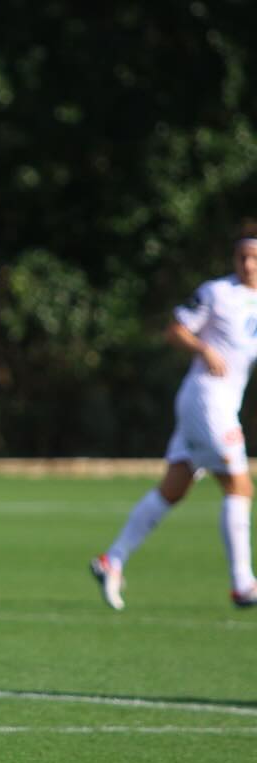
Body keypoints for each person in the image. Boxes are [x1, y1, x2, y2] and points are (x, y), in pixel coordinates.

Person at [91, 224, 257, 610]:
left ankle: (111, 560)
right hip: (206, 400)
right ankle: (243, 584)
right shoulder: (218, 293)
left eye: (254, 258)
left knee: (175, 487)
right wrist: (204, 349)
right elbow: (175, 330)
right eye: (242, 257)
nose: (248, 264)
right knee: (239, 486)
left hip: (220, 403)